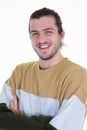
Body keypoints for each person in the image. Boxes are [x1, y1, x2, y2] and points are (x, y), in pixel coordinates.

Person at [0, 7, 87, 130]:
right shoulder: (19, 72)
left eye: (48, 32)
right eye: (35, 33)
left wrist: (17, 119)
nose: (41, 40)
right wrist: (45, 123)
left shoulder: (78, 76)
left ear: (61, 35)